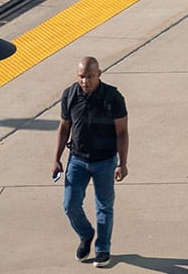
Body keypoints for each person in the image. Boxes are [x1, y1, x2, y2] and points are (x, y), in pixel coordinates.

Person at [54, 56, 129, 268]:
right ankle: (86, 234)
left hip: (105, 161)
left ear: (99, 74)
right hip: (77, 160)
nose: (85, 81)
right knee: (70, 204)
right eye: (81, 77)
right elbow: (64, 127)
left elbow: (122, 132)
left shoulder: (113, 98)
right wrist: (56, 159)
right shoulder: (69, 95)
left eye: (89, 77)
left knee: (104, 206)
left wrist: (122, 163)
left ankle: (102, 249)